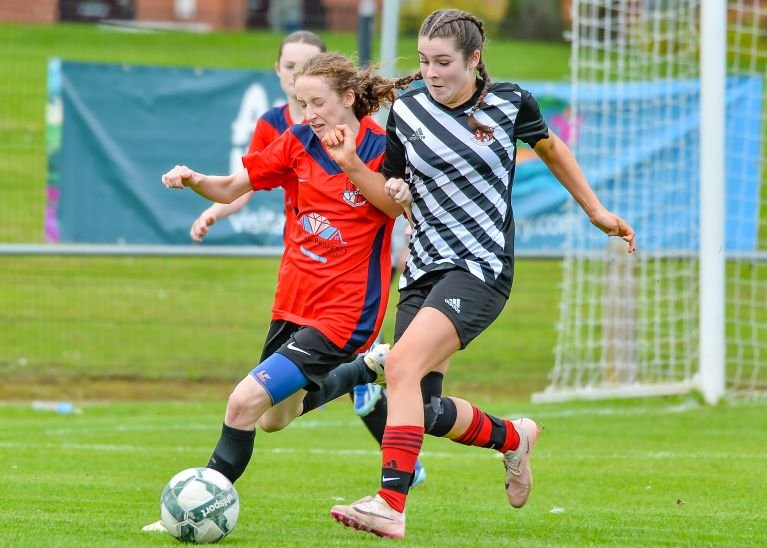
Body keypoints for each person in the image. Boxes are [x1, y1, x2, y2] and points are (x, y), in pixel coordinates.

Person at [325, 8, 637, 539]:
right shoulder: (408, 111)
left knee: (398, 367)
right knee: (420, 408)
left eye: (444, 62)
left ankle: (389, 504)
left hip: (480, 268)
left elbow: (553, 149)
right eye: (424, 61)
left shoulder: (510, 103)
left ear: (475, 59)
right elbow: (391, 196)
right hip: (423, 269)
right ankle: (513, 438)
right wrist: (365, 172)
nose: (431, 72)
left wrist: (595, 211)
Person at [144, 51, 417, 532]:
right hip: (293, 302)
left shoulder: (380, 146)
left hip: (346, 311)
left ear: (349, 98)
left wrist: (349, 162)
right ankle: (362, 371)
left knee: (242, 404)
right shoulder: (297, 142)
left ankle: (190, 514)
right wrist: (194, 180)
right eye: (300, 102)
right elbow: (230, 188)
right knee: (273, 419)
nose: (308, 113)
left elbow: (390, 209)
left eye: (317, 103)